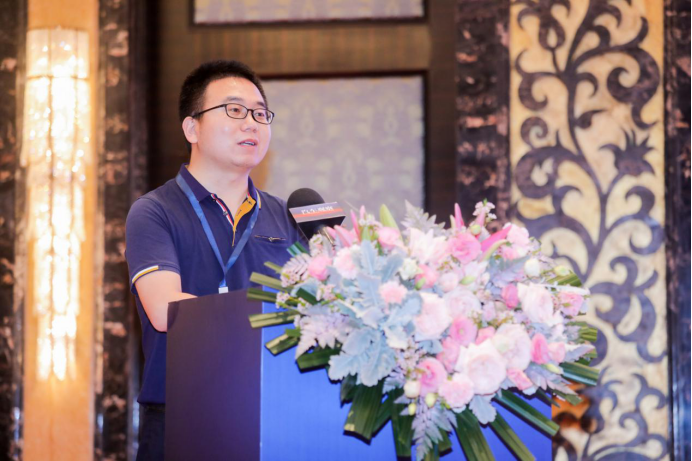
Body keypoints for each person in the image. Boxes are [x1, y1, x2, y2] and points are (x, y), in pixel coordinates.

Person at [125, 60, 304, 461]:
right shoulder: (155, 211)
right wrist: (268, 320)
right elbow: (166, 310)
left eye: (261, 113)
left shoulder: (288, 216)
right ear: (192, 128)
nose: (252, 123)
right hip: (183, 416)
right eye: (235, 110)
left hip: (276, 413)